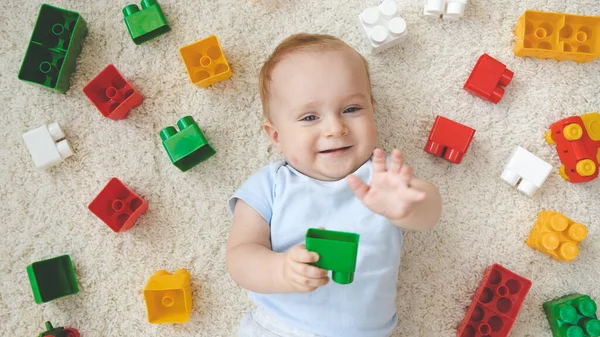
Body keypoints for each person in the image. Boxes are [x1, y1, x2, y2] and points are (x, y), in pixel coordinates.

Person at [226, 33, 442, 337]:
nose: (335, 128)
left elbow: (431, 210)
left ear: (372, 111)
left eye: (351, 109)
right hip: (281, 327)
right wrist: (281, 271)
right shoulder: (270, 185)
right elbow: (239, 256)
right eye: (310, 117)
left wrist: (406, 206)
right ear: (276, 136)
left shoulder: (381, 180)